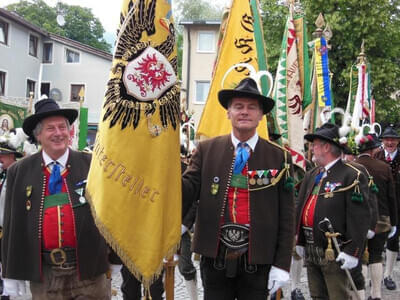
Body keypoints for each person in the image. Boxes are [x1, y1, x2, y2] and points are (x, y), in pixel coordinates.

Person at [182, 77, 295, 300]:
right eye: (238, 106)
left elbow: (287, 214)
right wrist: (163, 166)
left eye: (252, 107)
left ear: (261, 115)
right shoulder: (206, 150)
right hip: (215, 257)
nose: (245, 112)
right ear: (228, 112)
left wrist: (282, 264)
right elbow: (186, 192)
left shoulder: (279, 156)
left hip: (258, 259)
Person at [1, 98, 112, 299]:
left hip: (90, 273)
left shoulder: (91, 165)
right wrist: (10, 273)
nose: (59, 133)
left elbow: (111, 213)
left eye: (63, 127)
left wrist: (116, 259)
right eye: (51, 128)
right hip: (46, 277)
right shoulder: (19, 171)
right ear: (38, 135)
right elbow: (12, 224)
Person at [296, 123, 371, 299]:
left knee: (338, 296)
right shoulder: (313, 174)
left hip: (336, 251)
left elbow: (360, 217)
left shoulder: (351, 174)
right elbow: (301, 207)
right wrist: (299, 240)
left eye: (314, 144)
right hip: (312, 248)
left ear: (326, 147)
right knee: (317, 296)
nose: (311, 148)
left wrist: (353, 252)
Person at [355, 132, 397, 300]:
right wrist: (394, 221)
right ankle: (377, 294)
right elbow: (391, 197)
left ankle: (361, 294)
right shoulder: (384, 167)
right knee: (376, 255)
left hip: (358, 220)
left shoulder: (351, 166)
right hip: (381, 218)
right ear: (373, 150)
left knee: (361, 257)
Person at [374, 125, 400, 290]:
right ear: (382, 141)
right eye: (387, 139)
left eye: (393, 139)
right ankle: (374, 275)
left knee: (393, 239)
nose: (390, 142)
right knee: (376, 241)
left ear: (398, 141)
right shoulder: (376, 156)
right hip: (379, 204)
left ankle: (388, 275)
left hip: (398, 205)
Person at [0, 141, 22, 300]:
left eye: (3, 155)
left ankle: (8, 292)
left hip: (11, 226)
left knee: (7, 260)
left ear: (11, 156)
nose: (0, 159)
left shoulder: (20, 173)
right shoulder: (2, 173)